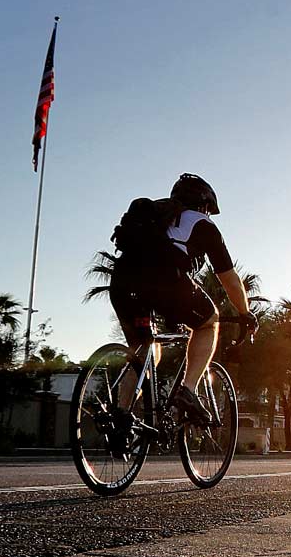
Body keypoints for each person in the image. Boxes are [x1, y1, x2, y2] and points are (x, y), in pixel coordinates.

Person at [106, 174, 257, 450]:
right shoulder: (202, 224)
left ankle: (122, 418)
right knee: (209, 322)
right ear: (203, 205)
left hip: (123, 280)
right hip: (165, 280)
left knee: (144, 350)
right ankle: (187, 390)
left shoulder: (156, 217)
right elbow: (229, 278)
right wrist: (245, 312)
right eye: (209, 210)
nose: (209, 214)